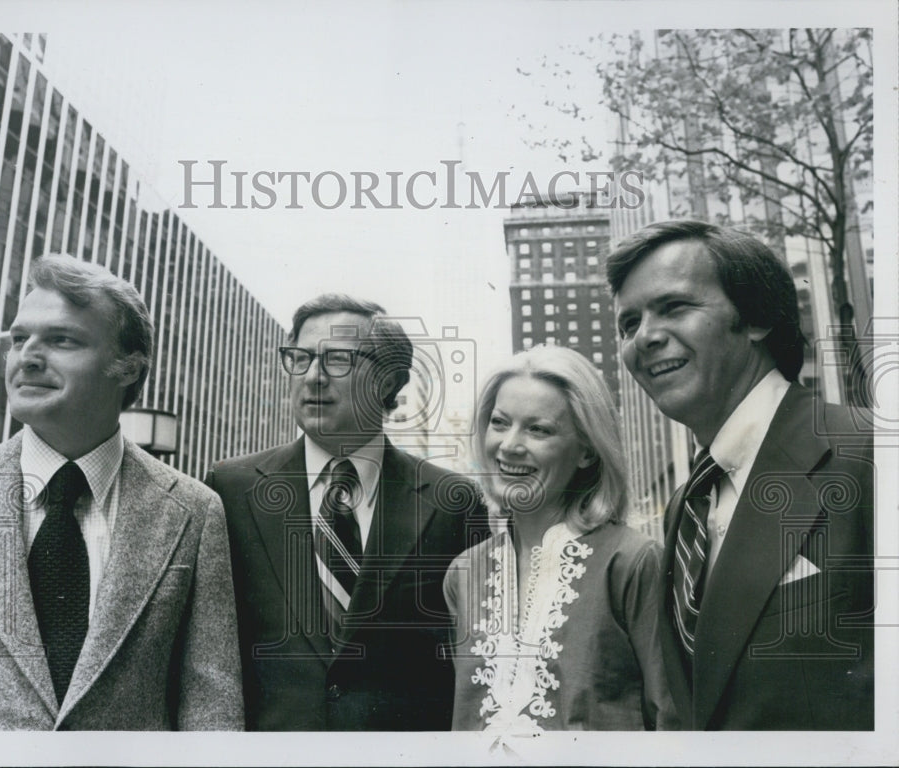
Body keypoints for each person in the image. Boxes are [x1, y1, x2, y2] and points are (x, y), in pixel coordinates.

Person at [0, 254, 244, 730]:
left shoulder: (194, 511)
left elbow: (210, 699)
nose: (28, 357)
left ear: (127, 367)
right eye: (18, 339)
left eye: (61, 340)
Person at [607, 219, 874, 730]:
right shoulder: (683, 508)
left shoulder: (871, 455)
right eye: (629, 323)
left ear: (755, 318)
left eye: (674, 307)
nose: (644, 338)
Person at [207, 294, 489, 730]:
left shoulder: (453, 502)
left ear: (389, 381)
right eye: (300, 358)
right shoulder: (230, 489)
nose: (314, 377)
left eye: (339, 360)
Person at [444, 345, 676, 734]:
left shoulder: (633, 563)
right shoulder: (463, 574)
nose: (509, 445)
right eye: (500, 423)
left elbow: (673, 721)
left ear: (586, 450)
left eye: (538, 429)